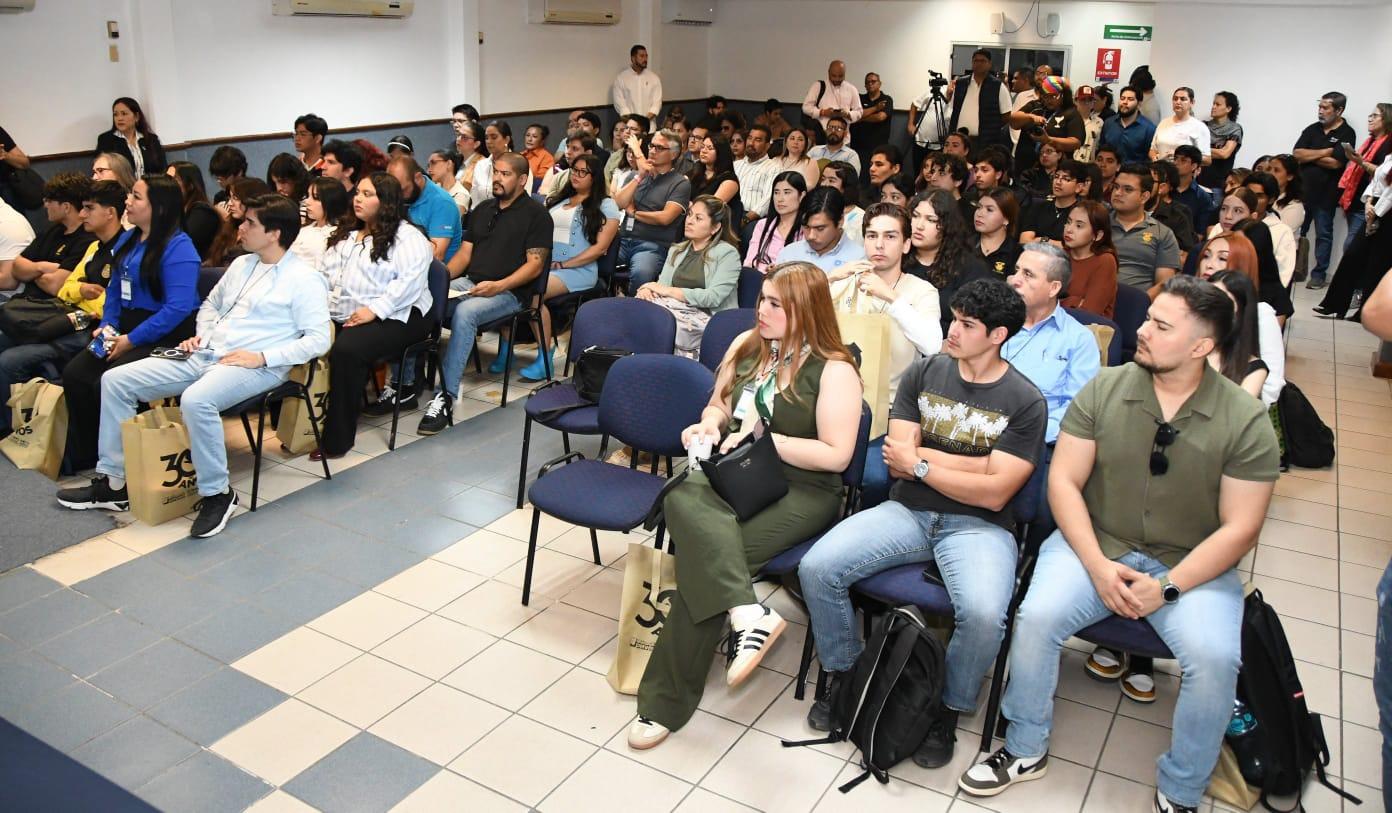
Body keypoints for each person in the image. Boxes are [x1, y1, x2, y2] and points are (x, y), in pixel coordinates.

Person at [962, 275, 1279, 813]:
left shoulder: (1244, 419)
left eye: (1160, 324)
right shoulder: (1106, 389)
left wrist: (1169, 587)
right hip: (1096, 542)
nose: (1142, 330)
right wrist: (1097, 566)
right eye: (1148, 317)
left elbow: (1241, 529)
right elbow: (1062, 483)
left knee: (1216, 657)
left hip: (1189, 562)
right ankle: (1023, 747)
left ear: (1201, 346)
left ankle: (1180, 790)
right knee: (1036, 618)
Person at [799, 275, 1045, 767]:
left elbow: (998, 491)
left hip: (980, 526)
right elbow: (896, 459)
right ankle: (849, 676)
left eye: (967, 324)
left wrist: (926, 464)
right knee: (817, 567)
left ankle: (944, 710)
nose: (952, 330)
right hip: (908, 509)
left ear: (997, 335)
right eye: (954, 318)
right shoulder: (925, 373)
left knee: (982, 612)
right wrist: (971, 466)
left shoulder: (1025, 401)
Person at [627, 262, 863, 752]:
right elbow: (719, 405)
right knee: (682, 490)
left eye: (776, 304)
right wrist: (709, 427)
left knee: (708, 561)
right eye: (762, 300)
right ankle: (745, 613)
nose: (762, 310)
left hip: (804, 488)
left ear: (806, 310)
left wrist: (766, 442)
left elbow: (836, 456)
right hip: (741, 473)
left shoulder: (835, 370)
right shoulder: (750, 347)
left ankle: (663, 703)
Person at [59, 194, 330, 536]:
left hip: (256, 365)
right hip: (207, 353)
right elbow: (209, 306)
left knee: (197, 400)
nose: (240, 227)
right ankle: (113, 483)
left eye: (250, 223)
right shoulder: (243, 265)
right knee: (116, 380)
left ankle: (218, 493)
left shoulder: (304, 278)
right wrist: (202, 336)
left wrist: (261, 357)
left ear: (275, 233)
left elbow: (318, 340)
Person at [60, 175, 200, 470]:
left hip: (166, 333)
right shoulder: (129, 237)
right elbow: (113, 289)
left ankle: (126, 464)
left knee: (107, 381)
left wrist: (130, 340)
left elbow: (177, 308)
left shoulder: (180, 248)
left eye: (136, 197)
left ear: (159, 207)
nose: (128, 202)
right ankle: (88, 455)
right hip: (124, 327)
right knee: (75, 374)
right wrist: (108, 327)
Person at [415, 155, 549, 434]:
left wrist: (499, 286)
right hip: (472, 282)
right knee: (422, 298)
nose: (498, 178)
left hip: (511, 293)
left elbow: (535, 266)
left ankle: (445, 396)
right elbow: (465, 254)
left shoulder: (537, 216)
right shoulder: (484, 209)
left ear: (522, 180)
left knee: (465, 312)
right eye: (496, 173)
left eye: (506, 174)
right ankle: (407, 382)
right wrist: (440, 282)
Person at [825, 203, 943, 506]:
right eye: (871, 235)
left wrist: (891, 298)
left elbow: (932, 345)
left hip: (891, 410)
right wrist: (829, 280)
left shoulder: (922, 291)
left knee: (876, 476)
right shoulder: (845, 281)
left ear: (906, 244)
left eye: (890, 237)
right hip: (834, 400)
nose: (878, 245)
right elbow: (799, 322)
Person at [315, 173, 433, 458]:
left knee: (348, 349)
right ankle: (301, 423)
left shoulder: (408, 238)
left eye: (368, 195)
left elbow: (408, 285)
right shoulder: (347, 233)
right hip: (346, 310)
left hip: (400, 314)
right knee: (304, 336)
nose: (358, 198)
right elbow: (323, 274)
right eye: (358, 193)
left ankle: (337, 439)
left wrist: (373, 311)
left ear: (387, 203)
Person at [0, 182, 125, 433]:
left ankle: (12, 432)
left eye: (89, 208)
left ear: (110, 213)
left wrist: (80, 294)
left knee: (8, 360)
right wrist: (80, 290)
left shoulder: (126, 250)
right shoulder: (93, 247)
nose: (82, 214)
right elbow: (66, 287)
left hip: (90, 331)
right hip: (66, 316)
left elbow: (112, 301)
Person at [523, 153, 619, 378]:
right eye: (574, 170)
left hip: (578, 271)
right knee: (512, 286)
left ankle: (545, 353)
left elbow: (599, 248)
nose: (575, 175)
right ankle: (506, 349)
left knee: (532, 295)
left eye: (582, 172)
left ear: (594, 177)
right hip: (549, 266)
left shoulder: (607, 205)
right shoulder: (560, 200)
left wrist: (565, 264)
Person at [1004, 243, 1102, 447]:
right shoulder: (993, 321)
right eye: (1016, 271)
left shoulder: (1078, 340)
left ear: (1054, 288)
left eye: (1028, 274)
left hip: (1034, 445)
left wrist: (1019, 435)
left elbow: (1076, 410)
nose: (1015, 281)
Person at [636, 195, 741, 357]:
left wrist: (667, 290)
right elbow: (661, 285)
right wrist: (648, 290)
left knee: (660, 327)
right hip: (675, 311)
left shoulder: (727, 254)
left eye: (698, 218)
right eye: (690, 214)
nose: (689, 221)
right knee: (640, 308)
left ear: (715, 228)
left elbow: (713, 298)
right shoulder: (677, 250)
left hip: (708, 319)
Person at [1314, 150, 1392, 321]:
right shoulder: (1389, 156)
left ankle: (1364, 312)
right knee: (1353, 255)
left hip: (1387, 213)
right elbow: (1376, 182)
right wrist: (1369, 203)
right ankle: (1334, 304)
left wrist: (1376, 212)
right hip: (1375, 207)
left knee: (1376, 265)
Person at [613, 128, 691, 294]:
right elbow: (618, 203)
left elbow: (665, 218)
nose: (653, 151)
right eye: (651, 146)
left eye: (660, 148)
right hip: (623, 240)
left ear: (674, 155)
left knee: (642, 273)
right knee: (595, 261)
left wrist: (635, 214)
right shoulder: (635, 175)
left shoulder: (680, 183)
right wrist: (639, 176)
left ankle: (633, 311)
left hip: (652, 246)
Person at [906, 189, 993, 335]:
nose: (919, 226)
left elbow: (975, 323)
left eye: (931, 220)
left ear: (947, 225)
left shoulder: (969, 267)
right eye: (915, 216)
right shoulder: (898, 258)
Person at [1295, 92, 1358, 289]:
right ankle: (1293, 269)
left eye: (1325, 108)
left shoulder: (1347, 133)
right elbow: (1297, 154)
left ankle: (1319, 275)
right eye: (1319, 107)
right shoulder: (1312, 129)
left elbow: (1335, 163)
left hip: (1326, 195)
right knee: (1296, 231)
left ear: (1339, 110)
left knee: (1324, 234)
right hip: (1302, 191)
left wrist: (1310, 155)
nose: (1320, 111)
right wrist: (1325, 151)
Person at [1111, 163, 1180, 297]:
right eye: (1116, 187)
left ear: (1144, 197)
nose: (1118, 193)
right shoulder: (1097, 224)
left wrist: (1139, 305)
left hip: (1139, 305)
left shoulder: (1162, 234)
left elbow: (1164, 283)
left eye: (1127, 189)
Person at [1337, 104, 1392, 251]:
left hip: (1372, 204)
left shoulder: (1388, 144)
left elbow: (1384, 174)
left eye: (1375, 116)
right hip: (1356, 200)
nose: (1370, 119)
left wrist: (1360, 162)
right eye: (1370, 116)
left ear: (1386, 119)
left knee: (1351, 246)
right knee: (1354, 245)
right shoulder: (1370, 141)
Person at [388, 156, 462, 263]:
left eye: (404, 190)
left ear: (417, 178)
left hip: (431, 272)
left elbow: (437, 254)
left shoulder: (442, 203)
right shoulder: (399, 196)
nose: (400, 196)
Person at [776, 186, 865, 273]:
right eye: (806, 227)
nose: (811, 236)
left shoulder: (858, 260)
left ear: (840, 221)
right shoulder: (788, 255)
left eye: (820, 228)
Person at [1011, 76, 1084, 178]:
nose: (1049, 100)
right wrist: (1030, 117)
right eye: (1045, 96)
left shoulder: (1071, 112)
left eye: (1053, 96)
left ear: (1063, 95)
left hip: (1055, 170)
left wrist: (1049, 140)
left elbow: (1075, 142)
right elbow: (1013, 121)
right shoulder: (1036, 106)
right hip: (1025, 165)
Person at [1062, 199, 1120, 318]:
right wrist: (1075, 301)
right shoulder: (1062, 254)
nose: (1069, 229)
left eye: (1079, 226)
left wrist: (1058, 301)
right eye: (1068, 222)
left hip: (1087, 329)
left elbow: (1090, 312)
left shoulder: (1105, 261)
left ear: (1097, 235)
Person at [947, 49, 1012, 150]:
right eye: (976, 61)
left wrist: (991, 128)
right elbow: (953, 109)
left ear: (989, 64)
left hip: (985, 141)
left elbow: (1006, 115)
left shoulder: (998, 85)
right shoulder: (961, 83)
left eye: (983, 61)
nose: (979, 64)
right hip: (959, 139)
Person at [744, 171, 807, 275]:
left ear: (802, 195)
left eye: (787, 192)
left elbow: (807, 266)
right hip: (760, 280)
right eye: (776, 192)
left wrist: (780, 270)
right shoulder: (762, 225)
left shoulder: (807, 229)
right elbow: (749, 262)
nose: (780, 199)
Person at [1244, 172, 1298, 291]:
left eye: (1259, 196)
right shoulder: (1226, 224)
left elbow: (1283, 275)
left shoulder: (1282, 231)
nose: (1252, 200)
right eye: (1248, 194)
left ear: (1271, 199)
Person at [206, 178, 271, 268]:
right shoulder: (230, 226)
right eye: (229, 198)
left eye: (235, 199)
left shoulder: (261, 235)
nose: (229, 203)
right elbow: (213, 260)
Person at [95, 97, 167, 178]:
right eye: (115, 114)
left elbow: (162, 168)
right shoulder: (106, 140)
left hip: (151, 188)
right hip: (121, 189)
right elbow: (101, 171)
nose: (119, 118)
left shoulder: (151, 139)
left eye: (124, 114)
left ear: (136, 117)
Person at [289, 177, 349, 272]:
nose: (307, 202)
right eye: (308, 196)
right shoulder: (304, 229)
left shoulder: (339, 235)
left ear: (332, 201)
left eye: (316, 198)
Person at [1019, 159, 1086, 245]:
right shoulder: (1038, 206)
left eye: (1066, 179)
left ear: (1079, 187)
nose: (1058, 182)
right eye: (1056, 176)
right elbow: (1024, 240)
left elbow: (1072, 246)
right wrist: (1056, 243)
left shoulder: (1081, 213)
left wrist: (1043, 240)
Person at [471, 121, 533, 209]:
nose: (489, 141)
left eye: (494, 137)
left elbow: (525, 201)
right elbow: (475, 199)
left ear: (507, 139)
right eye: (486, 138)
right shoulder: (480, 165)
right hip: (483, 215)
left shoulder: (521, 164)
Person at [165, 161, 220, 260]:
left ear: (190, 186)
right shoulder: (174, 210)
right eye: (165, 180)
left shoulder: (203, 213)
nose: (166, 185)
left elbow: (182, 246)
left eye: (173, 180)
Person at [734, 124, 780, 225]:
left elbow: (769, 198)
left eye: (758, 140)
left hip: (754, 218)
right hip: (730, 213)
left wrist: (746, 219)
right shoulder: (735, 165)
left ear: (767, 145)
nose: (751, 143)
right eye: (750, 138)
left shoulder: (774, 168)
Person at [1149, 160, 1198, 253]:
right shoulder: (1131, 209)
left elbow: (1185, 250)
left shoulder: (1180, 213)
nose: (1146, 185)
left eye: (1151, 181)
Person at [1149, 88, 1211, 162]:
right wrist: (1154, 157)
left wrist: (1181, 156)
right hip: (1161, 169)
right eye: (1175, 99)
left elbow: (1207, 160)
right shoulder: (1163, 123)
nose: (1178, 102)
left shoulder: (1199, 127)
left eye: (1183, 99)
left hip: (1183, 172)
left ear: (1192, 102)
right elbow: (1152, 150)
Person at [802, 60, 863, 135]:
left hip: (844, 137)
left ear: (845, 74)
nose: (837, 79)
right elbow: (806, 107)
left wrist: (847, 114)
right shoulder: (818, 86)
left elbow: (859, 112)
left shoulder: (852, 89)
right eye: (834, 76)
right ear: (828, 73)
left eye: (840, 76)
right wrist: (823, 112)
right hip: (822, 135)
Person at [852, 73, 894, 179]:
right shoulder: (859, 98)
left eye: (873, 81)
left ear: (879, 83)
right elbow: (852, 115)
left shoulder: (886, 99)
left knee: (876, 176)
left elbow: (880, 117)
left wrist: (860, 117)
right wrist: (875, 108)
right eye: (867, 82)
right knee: (859, 175)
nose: (870, 84)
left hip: (878, 146)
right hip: (858, 146)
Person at [1100, 86, 1157, 165]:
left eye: (1130, 99)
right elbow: (1102, 149)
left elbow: (1149, 158)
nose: (1125, 102)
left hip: (1135, 174)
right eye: (1122, 98)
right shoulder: (1109, 123)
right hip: (1110, 173)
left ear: (1139, 104)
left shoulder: (1149, 128)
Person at [1171, 145, 1219, 236]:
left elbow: (1200, 233)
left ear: (1193, 166)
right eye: (1175, 158)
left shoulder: (1203, 197)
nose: (1176, 163)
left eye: (1183, 160)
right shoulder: (1166, 189)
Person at [973, 187, 1021, 278]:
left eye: (989, 210)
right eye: (978, 207)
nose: (979, 214)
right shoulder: (963, 245)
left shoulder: (1016, 254)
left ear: (1006, 219)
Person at [1199, 92, 1243, 189]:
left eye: (1218, 104)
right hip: (1197, 179)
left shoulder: (1235, 129)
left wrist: (1200, 150)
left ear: (1228, 109)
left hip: (1218, 184)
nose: (1213, 107)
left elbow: (1224, 153)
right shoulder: (1203, 126)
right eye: (1213, 104)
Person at [686, 134, 739, 206]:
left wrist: (685, 204)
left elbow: (710, 208)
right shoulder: (697, 169)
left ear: (721, 152)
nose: (703, 151)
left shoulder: (729, 180)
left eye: (710, 148)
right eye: (702, 147)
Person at [267, 153, 311, 223]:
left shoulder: (309, 202)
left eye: (283, 182)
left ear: (296, 179)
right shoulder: (275, 203)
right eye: (274, 183)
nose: (278, 188)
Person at [1268, 154, 1306, 234]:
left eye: (1276, 170)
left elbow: (1279, 236)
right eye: (1269, 169)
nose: (1270, 174)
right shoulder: (1263, 197)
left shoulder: (1294, 206)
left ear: (1290, 176)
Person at [427, 149, 470, 217]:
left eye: (433, 163)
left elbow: (449, 222)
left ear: (449, 164)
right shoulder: (431, 190)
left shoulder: (461, 194)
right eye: (428, 165)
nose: (429, 170)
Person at [455, 120, 487, 196]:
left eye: (464, 137)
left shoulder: (482, 164)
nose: (458, 139)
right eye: (458, 135)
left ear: (476, 144)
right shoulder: (457, 161)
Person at [522, 124, 556, 194]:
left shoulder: (547, 158)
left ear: (542, 141)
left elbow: (539, 182)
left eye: (534, 136)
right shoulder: (519, 155)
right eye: (527, 135)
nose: (530, 139)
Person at [1075, 86, 1104, 163]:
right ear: (1076, 101)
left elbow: (1098, 145)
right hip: (1071, 163)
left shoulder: (1099, 122)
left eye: (1090, 100)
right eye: (1083, 99)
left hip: (1089, 164)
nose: (1087, 103)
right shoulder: (1068, 119)